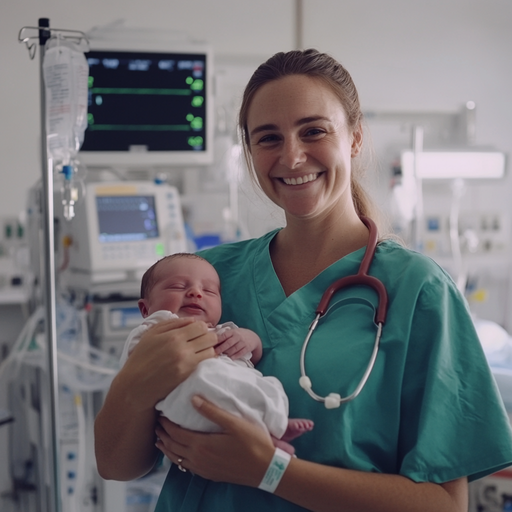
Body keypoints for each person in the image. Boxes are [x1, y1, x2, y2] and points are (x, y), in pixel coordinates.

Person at [95, 49, 512, 512]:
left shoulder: (418, 290)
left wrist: (270, 470)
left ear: (354, 138)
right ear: (250, 152)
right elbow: (118, 465)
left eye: (313, 131)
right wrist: (134, 384)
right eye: (268, 138)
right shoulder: (206, 280)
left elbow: (443, 505)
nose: (292, 157)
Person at [120, 252, 313, 454]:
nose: (196, 292)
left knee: (269, 385)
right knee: (207, 386)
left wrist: (251, 340)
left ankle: (275, 426)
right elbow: (134, 367)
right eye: (177, 286)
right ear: (145, 308)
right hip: (193, 399)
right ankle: (266, 435)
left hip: (232, 386)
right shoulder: (153, 329)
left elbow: (251, 357)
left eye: (209, 291)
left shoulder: (222, 331)